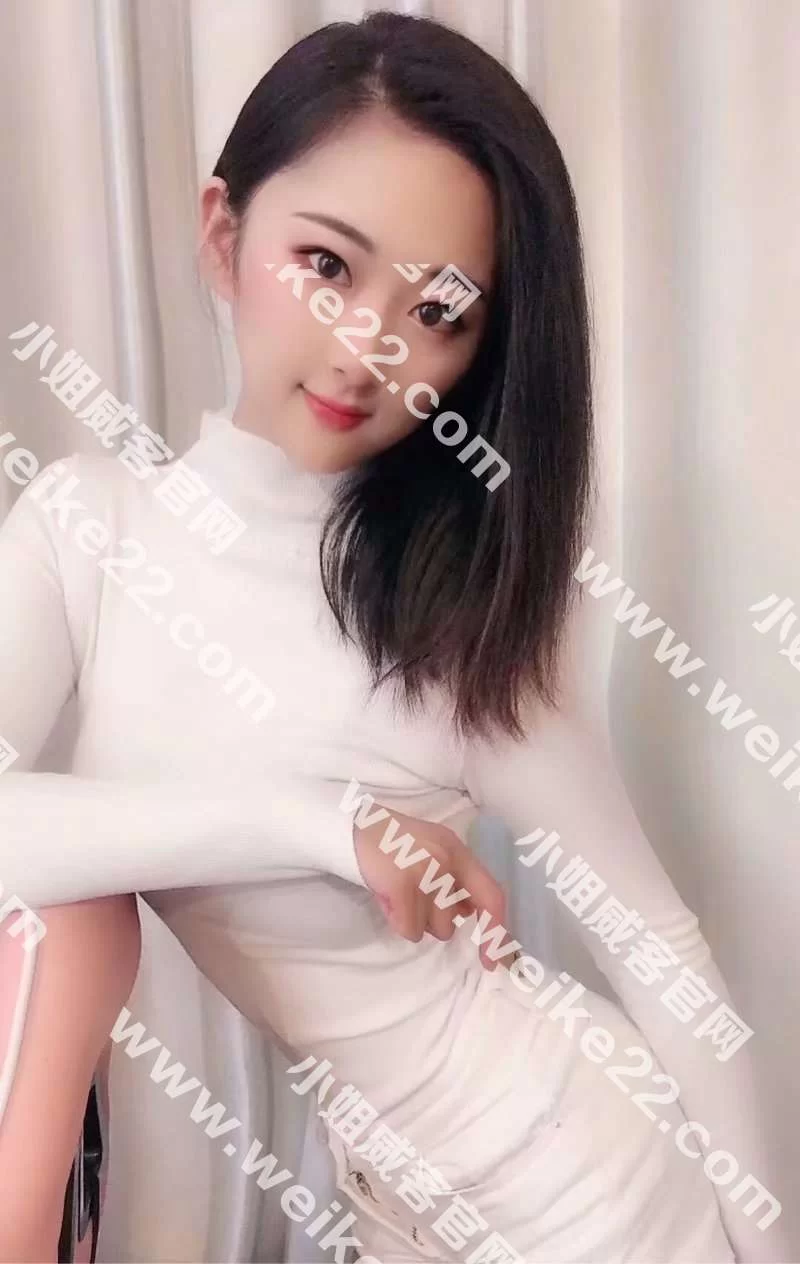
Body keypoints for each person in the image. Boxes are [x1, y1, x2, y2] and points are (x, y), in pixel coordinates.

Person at [0, 11, 788, 1263]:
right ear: (223, 234)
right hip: (396, 1202)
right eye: (327, 264)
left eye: (439, 309)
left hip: (593, 1201)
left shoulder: (452, 612)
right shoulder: (84, 528)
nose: (370, 347)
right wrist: (321, 821)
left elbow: (656, 943)